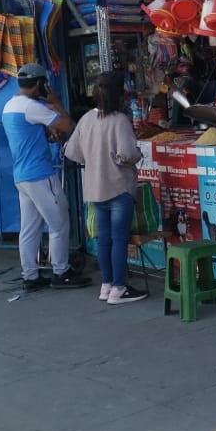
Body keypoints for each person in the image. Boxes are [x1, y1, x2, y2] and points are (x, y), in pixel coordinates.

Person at [1, 63, 92, 291]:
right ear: (40, 84)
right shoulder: (32, 107)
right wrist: (57, 102)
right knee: (59, 223)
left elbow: (29, 134)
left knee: (29, 228)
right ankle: (61, 272)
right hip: (40, 175)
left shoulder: (10, 106)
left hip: (22, 175)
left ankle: (30, 276)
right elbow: (67, 125)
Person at [65, 72, 147, 305]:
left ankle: (107, 285)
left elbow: (72, 152)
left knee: (104, 238)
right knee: (119, 239)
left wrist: (93, 156)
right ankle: (119, 288)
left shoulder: (86, 120)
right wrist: (136, 155)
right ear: (119, 94)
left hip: (95, 188)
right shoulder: (120, 121)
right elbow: (127, 154)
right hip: (119, 188)